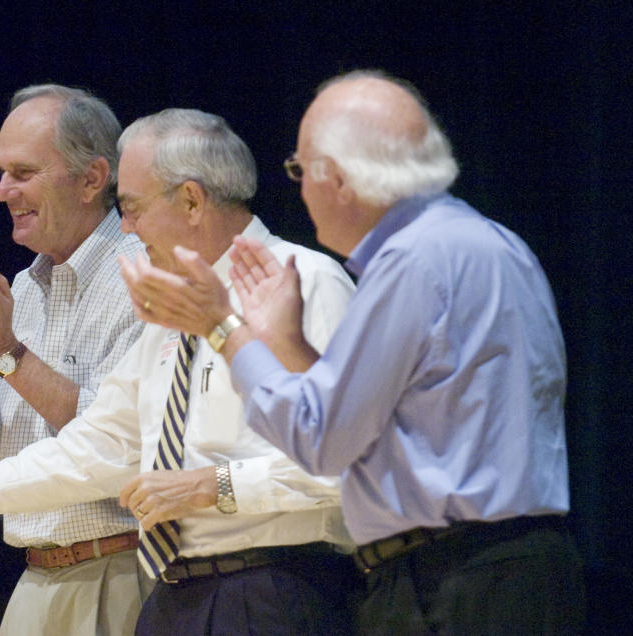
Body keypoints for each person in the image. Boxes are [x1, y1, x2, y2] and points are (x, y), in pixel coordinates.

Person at [0, 108, 361, 635]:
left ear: (191, 200)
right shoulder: (171, 321)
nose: (125, 226)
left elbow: (344, 464)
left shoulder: (304, 282)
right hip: (179, 594)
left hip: (275, 586)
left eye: (133, 207)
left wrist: (212, 485)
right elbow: (94, 447)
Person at [119, 70, 586, 634]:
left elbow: (325, 444)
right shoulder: (477, 241)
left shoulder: (414, 262)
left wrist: (221, 327)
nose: (300, 191)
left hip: (464, 574)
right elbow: (369, 431)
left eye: (299, 171)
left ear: (340, 174)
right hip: (484, 564)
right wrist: (287, 342)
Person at [0, 84, 148, 635]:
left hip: (124, 571)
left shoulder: (144, 277)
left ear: (93, 179)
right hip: (33, 578)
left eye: (24, 173)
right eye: (2, 172)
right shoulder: (23, 291)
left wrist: (8, 354)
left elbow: (115, 439)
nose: (4, 191)